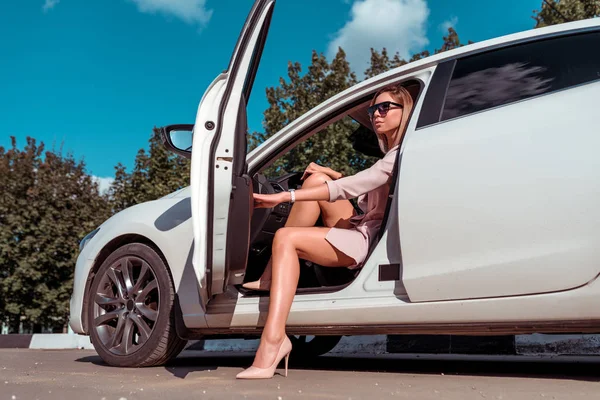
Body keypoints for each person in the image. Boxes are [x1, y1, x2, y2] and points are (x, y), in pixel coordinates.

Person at [236, 83, 414, 379]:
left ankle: (273, 341)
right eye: (373, 110)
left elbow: (353, 186)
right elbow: (361, 188)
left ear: (404, 110)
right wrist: (327, 174)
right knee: (317, 179)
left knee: (285, 237)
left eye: (385, 108)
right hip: (361, 221)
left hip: (366, 239)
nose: (376, 115)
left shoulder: (401, 153)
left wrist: (284, 196)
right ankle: (271, 277)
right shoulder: (390, 155)